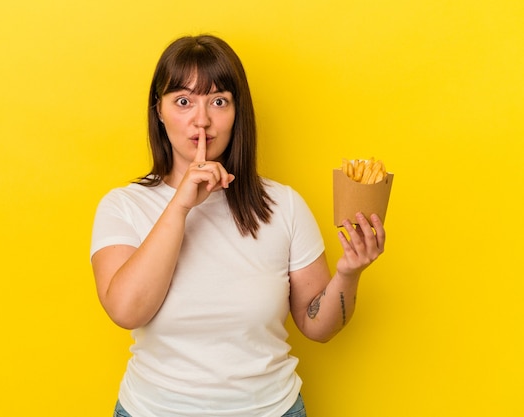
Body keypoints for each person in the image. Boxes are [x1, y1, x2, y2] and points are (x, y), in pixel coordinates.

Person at [90, 34, 386, 417]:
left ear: (236, 112)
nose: (202, 120)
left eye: (218, 101)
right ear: (158, 112)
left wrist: (349, 273)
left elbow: (318, 327)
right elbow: (126, 311)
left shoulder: (284, 205)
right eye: (183, 101)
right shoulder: (124, 206)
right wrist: (180, 205)